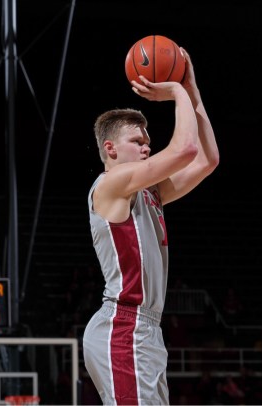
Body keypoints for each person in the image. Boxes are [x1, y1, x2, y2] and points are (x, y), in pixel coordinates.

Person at [83, 47, 219, 405]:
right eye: (138, 142)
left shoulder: (149, 191)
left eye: (148, 143)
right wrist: (175, 92)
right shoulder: (109, 185)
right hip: (123, 325)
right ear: (110, 148)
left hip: (147, 329)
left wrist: (193, 93)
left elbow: (207, 159)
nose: (146, 148)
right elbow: (186, 149)